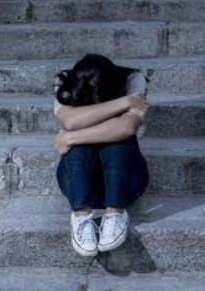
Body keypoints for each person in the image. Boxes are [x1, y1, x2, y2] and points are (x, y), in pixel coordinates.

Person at [52, 54, 150, 256]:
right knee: (79, 147)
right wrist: (127, 102)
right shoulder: (64, 81)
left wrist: (71, 137)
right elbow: (70, 120)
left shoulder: (132, 79)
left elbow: (127, 126)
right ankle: (81, 215)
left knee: (120, 140)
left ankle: (115, 213)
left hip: (125, 181)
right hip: (78, 181)